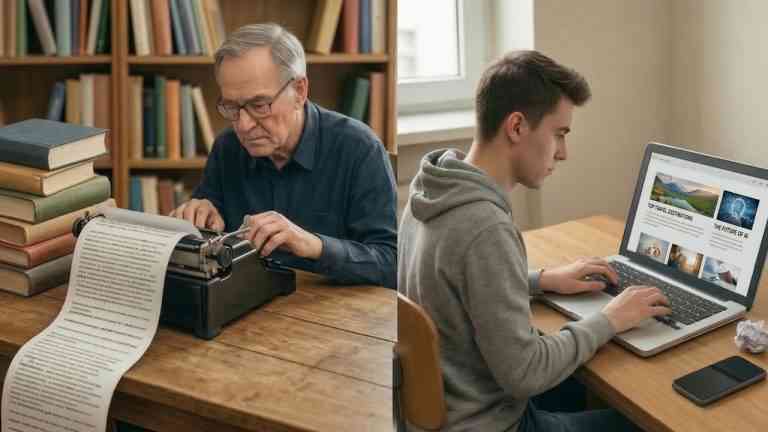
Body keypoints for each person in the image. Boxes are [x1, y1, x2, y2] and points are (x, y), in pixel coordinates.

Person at [398, 50, 672, 431]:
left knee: (584, 380)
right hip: (492, 423)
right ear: (516, 127)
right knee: (649, 421)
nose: (563, 152)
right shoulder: (485, 227)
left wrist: (539, 280)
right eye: (559, 133)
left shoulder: (429, 191)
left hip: (450, 406)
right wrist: (610, 318)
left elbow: (450, 282)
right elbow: (525, 372)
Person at [169, 23, 397, 289]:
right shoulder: (227, 146)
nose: (243, 125)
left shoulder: (359, 147)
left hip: (335, 315)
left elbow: (391, 264)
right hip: (246, 305)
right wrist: (199, 219)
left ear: (299, 91)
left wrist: (314, 245)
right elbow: (209, 241)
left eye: (259, 105)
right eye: (231, 106)